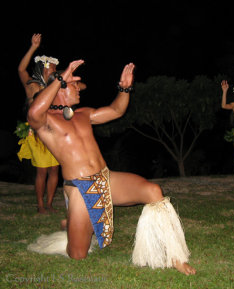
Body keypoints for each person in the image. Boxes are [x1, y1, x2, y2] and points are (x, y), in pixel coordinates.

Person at [26, 60, 196, 275]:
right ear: (59, 88)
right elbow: (33, 112)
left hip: (106, 178)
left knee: (154, 192)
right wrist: (62, 76)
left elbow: (116, 110)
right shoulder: (46, 122)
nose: (79, 89)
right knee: (78, 254)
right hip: (79, 188)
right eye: (74, 85)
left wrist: (124, 88)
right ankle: (70, 224)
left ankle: (174, 258)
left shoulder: (83, 114)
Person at [17, 33, 60, 214]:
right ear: (43, 69)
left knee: (54, 170)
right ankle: (40, 205)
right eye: (51, 68)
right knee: (42, 171)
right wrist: (33, 47)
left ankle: (49, 204)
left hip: (54, 133)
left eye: (56, 68)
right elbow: (21, 70)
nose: (54, 70)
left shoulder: (56, 86)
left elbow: (81, 86)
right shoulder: (32, 87)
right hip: (36, 134)